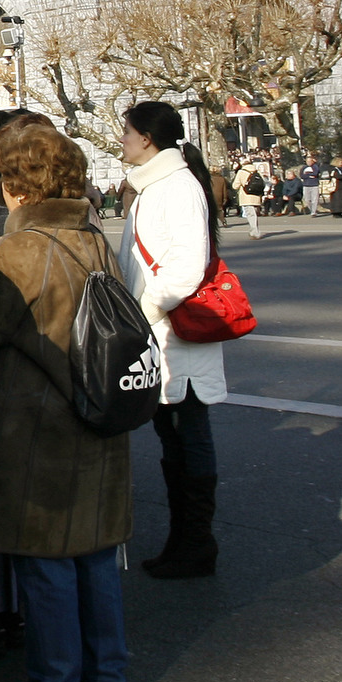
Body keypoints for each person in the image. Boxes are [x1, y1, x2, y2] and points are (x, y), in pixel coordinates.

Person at [0, 123, 133, 682]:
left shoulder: (17, 251)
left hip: (33, 428)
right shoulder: (93, 239)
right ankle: (111, 675)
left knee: (45, 561)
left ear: (18, 185)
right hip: (97, 416)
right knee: (95, 554)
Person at [118, 101, 225, 581]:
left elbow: (187, 264)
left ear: (145, 138)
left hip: (172, 331)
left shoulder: (176, 187)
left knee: (188, 434)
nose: (121, 141)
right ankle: (186, 540)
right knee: (173, 436)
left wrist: (142, 310)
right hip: (159, 332)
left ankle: (196, 541)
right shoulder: (155, 186)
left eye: (126, 132)